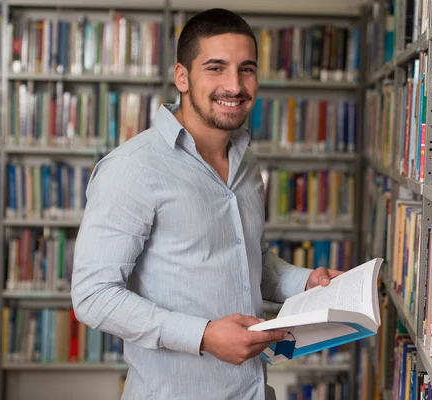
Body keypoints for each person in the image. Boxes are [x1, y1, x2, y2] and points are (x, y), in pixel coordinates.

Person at [71, 7, 343, 400]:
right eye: (216, 68)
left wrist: (305, 282)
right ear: (182, 77)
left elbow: (245, 257)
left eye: (246, 69)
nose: (234, 85)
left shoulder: (245, 163)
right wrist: (203, 335)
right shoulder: (133, 168)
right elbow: (93, 296)